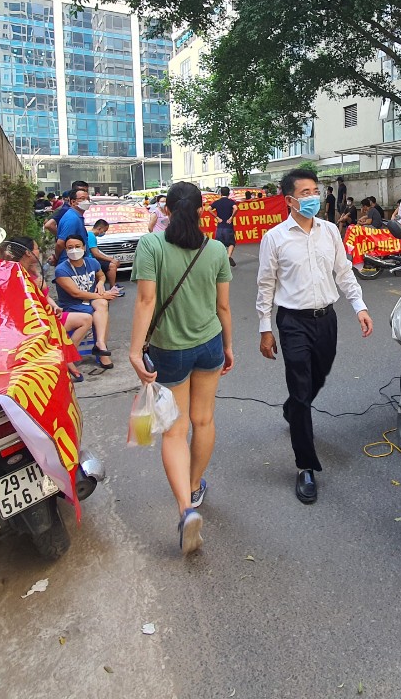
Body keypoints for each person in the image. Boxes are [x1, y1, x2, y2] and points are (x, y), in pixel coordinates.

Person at [129, 182, 234, 555]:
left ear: (166, 209)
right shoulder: (217, 249)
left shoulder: (151, 245)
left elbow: (145, 299)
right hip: (209, 345)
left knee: (175, 431)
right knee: (203, 421)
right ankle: (194, 485)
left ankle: (186, 509)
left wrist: (134, 351)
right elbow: (223, 308)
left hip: (169, 351)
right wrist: (228, 345)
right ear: (203, 210)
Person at [257, 168, 374, 504]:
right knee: (301, 386)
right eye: (305, 192)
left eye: (315, 190)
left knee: (316, 378)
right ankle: (305, 466)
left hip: (327, 319)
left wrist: (360, 306)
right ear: (290, 199)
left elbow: (344, 270)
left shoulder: (329, 232)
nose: (313, 197)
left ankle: (294, 407)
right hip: (292, 321)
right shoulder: (275, 238)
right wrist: (266, 329)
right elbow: (266, 286)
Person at [0, 237, 90, 381]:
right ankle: (65, 362)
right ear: (28, 253)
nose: (38, 251)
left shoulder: (34, 270)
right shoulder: (16, 275)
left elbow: (45, 296)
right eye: (36, 248)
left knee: (86, 319)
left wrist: (55, 306)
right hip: (35, 324)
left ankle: (66, 357)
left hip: (50, 316)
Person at [53, 234, 118, 369]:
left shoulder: (91, 262)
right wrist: (103, 295)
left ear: (84, 247)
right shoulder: (61, 270)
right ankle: (97, 352)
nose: (74, 250)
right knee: (99, 310)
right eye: (70, 248)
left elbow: (101, 275)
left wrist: (100, 283)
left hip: (91, 299)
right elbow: (75, 293)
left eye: (77, 246)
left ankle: (100, 344)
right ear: (65, 250)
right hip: (73, 305)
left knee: (102, 305)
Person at [54, 187, 92, 263]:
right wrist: (56, 258)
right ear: (73, 202)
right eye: (82, 198)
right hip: (70, 263)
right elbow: (60, 243)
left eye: (88, 199)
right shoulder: (72, 219)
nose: (86, 201)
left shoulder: (76, 216)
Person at [87, 218, 122, 286]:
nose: (104, 233)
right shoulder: (91, 236)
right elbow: (96, 254)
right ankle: (113, 287)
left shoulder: (90, 235)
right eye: (104, 230)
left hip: (92, 259)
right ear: (99, 228)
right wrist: (111, 260)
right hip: (91, 260)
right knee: (112, 266)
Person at [212, 186, 238, 268]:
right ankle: (228, 256)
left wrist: (217, 217)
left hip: (220, 227)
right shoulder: (230, 202)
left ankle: (220, 260)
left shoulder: (217, 202)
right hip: (228, 226)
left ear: (220, 193)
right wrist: (231, 217)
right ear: (229, 194)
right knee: (231, 243)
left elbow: (209, 208)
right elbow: (236, 208)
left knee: (220, 244)